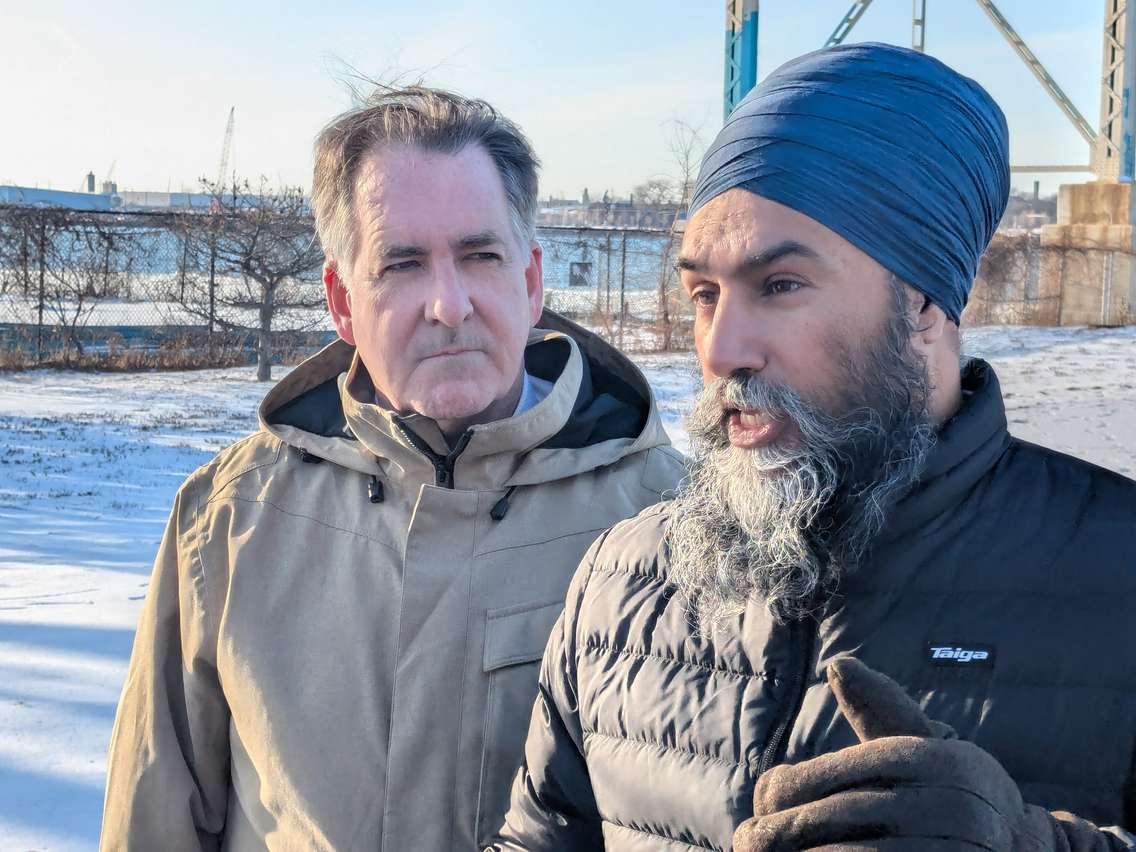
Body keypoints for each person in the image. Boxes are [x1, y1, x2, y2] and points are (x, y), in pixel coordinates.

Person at [493, 44, 1136, 851]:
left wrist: (1037, 845)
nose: (722, 348)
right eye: (703, 293)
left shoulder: (1118, 572)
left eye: (780, 285)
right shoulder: (622, 582)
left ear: (927, 304)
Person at [100, 86, 684, 851]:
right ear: (342, 300)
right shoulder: (228, 520)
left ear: (532, 280)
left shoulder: (669, 523)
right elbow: (155, 824)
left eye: (480, 256)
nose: (448, 304)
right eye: (402, 265)